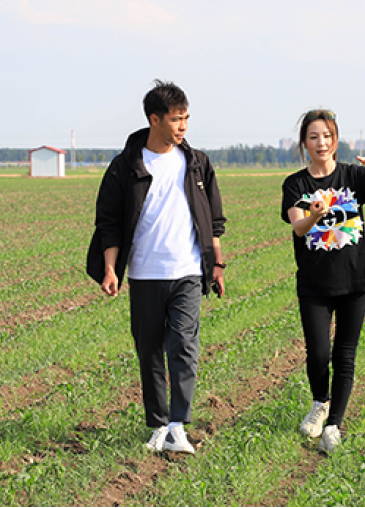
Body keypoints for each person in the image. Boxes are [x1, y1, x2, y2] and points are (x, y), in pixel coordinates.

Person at [86, 80, 227, 455]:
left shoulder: (196, 162)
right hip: (145, 274)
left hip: (187, 272)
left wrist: (217, 264)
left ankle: (178, 426)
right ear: (155, 119)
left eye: (186, 118)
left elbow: (213, 219)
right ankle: (158, 425)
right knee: (149, 350)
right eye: (177, 119)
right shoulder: (126, 166)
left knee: (183, 345)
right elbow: (109, 223)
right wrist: (111, 269)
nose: (183, 126)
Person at [280, 109, 365, 454]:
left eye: (327, 136)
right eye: (314, 137)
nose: (322, 143)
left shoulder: (352, 175)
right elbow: (298, 227)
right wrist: (315, 214)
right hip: (315, 283)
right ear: (305, 142)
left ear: (336, 140)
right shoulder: (296, 184)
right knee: (317, 353)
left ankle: (333, 425)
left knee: (345, 355)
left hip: (355, 281)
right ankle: (320, 402)